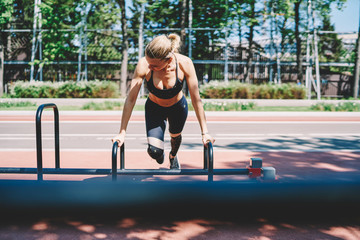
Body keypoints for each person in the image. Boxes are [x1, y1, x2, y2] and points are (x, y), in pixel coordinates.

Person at [112, 33, 214, 169]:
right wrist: (122, 132)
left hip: (177, 108)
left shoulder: (184, 63)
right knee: (154, 152)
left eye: (154, 65)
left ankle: (173, 156)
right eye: (149, 63)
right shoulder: (144, 64)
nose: (150, 67)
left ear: (168, 60)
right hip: (155, 108)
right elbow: (130, 99)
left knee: (175, 136)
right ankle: (160, 154)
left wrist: (204, 132)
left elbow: (196, 100)